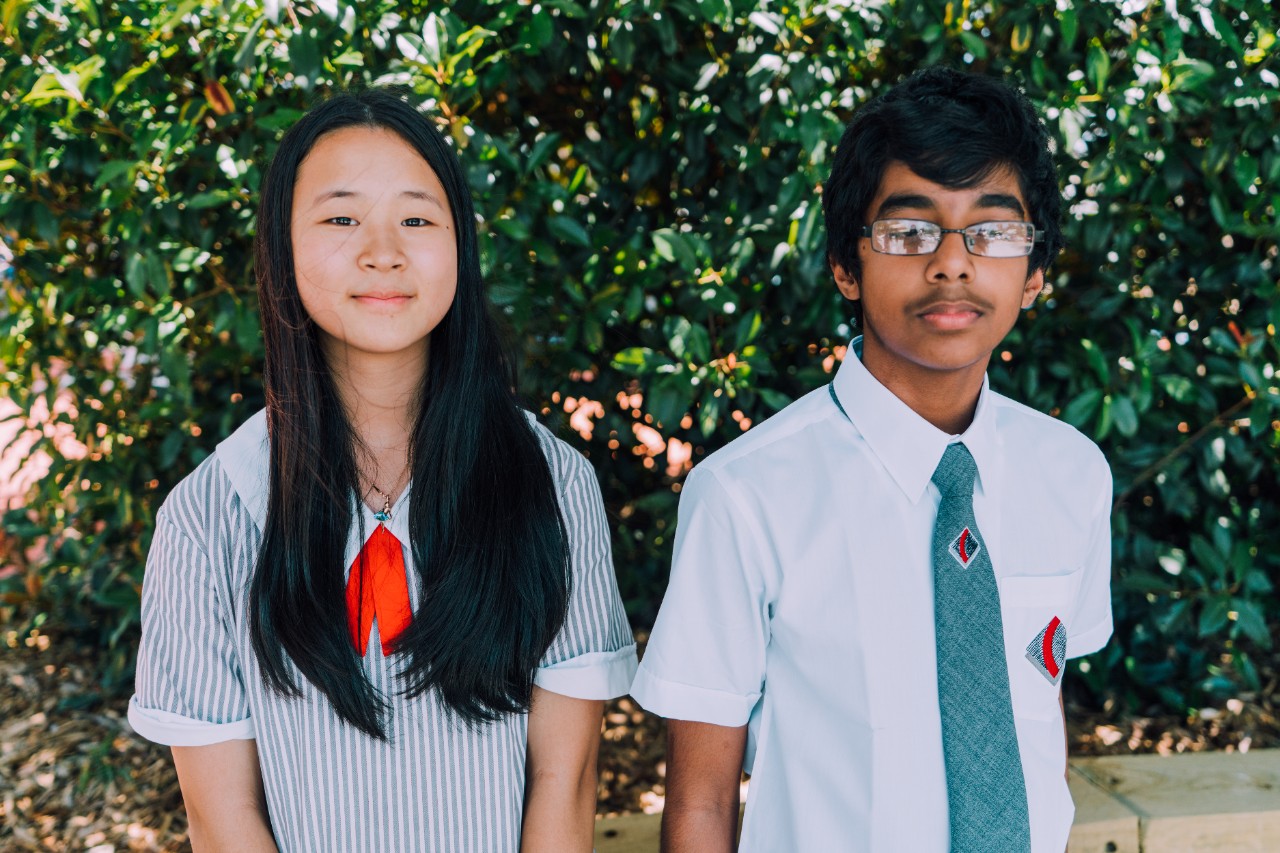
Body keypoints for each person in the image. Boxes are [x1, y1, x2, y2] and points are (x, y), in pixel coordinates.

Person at [128, 89, 637, 852]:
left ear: (459, 242)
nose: (383, 251)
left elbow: (565, 780)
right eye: (340, 218)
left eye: (417, 218)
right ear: (282, 247)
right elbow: (221, 817)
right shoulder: (211, 515)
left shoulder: (553, 484)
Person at [631, 66, 1113, 852]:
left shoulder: (1072, 473)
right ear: (846, 266)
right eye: (908, 231)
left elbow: (1034, 709)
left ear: (1035, 274)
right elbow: (700, 803)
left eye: (992, 231)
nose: (952, 263)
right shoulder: (747, 493)